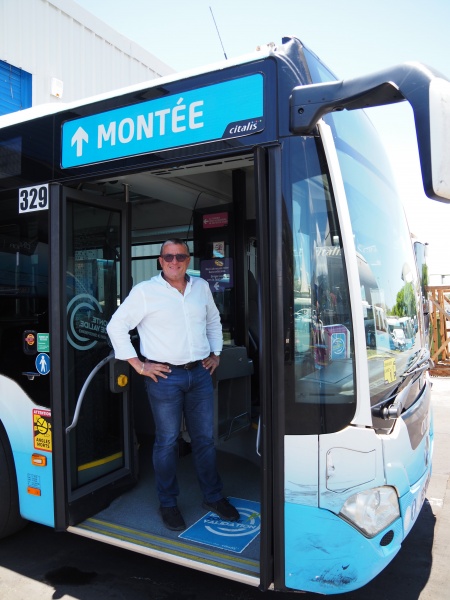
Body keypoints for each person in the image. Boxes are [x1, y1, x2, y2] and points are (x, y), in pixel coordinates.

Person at [106, 238, 239, 531]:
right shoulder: (145, 292)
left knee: (204, 439)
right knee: (167, 441)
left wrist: (216, 353)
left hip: (200, 373)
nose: (174, 261)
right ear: (160, 260)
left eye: (180, 256)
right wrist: (139, 365)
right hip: (164, 377)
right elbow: (116, 326)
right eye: (168, 256)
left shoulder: (201, 287)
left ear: (188, 260)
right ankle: (168, 503)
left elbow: (213, 322)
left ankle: (213, 497)